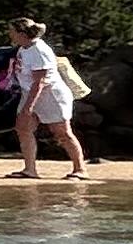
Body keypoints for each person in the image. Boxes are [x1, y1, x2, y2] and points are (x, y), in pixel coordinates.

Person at [5, 17, 93, 183]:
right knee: (23, 128)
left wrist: (27, 108)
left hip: (51, 96)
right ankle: (29, 169)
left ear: (21, 33)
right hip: (30, 93)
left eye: (12, 31)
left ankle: (80, 169)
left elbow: (40, 82)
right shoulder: (24, 48)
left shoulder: (39, 50)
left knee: (62, 132)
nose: (10, 34)